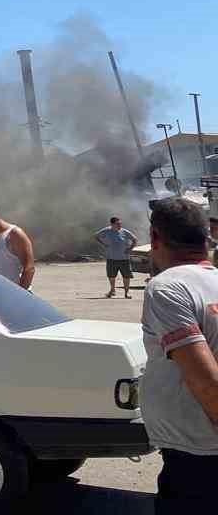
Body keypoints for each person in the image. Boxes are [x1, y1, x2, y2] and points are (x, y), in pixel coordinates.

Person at [138, 197, 218, 511]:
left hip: (198, 462)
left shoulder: (168, 288)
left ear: (155, 238)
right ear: (206, 237)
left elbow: (206, 383)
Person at [93, 216, 138, 299]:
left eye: (120, 223)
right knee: (111, 276)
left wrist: (130, 248)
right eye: (117, 224)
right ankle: (112, 290)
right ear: (112, 224)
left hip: (124, 258)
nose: (120, 225)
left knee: (126, 276)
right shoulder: (106, 230)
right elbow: (96, 236)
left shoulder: (124, 231)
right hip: (111, 258)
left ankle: (126, 293)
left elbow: (135, 239)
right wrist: (103, 244)